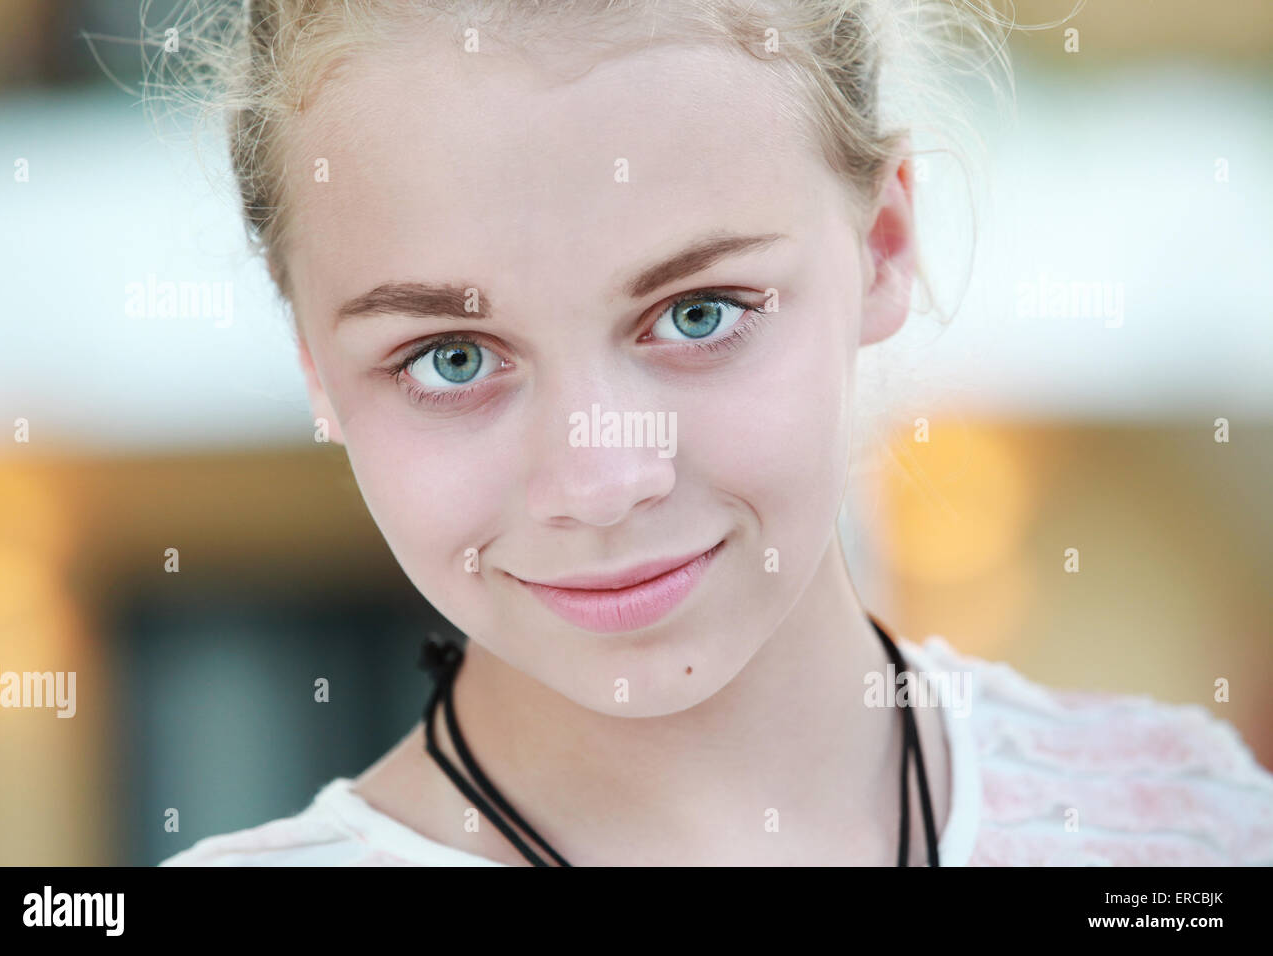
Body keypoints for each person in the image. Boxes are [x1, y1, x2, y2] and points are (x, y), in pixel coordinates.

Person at [156, 0, 1273, 866]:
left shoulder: (1192, 829)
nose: (597, 480)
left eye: (698, 314)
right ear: (314, 365)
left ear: (883, 244)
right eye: (450, 357)